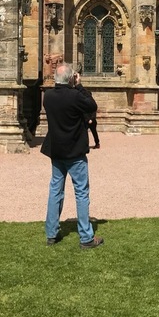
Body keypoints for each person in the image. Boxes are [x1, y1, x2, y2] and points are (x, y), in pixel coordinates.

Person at [40, 62, 104, 249]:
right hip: (75, 152)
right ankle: (86, 237)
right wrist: (79, 85)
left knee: (55, 191)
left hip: (57, 152)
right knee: (81, 193)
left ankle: (51, 233)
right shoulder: (76, 96)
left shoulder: (48, 97)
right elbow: (92, 105)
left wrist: (70, 84)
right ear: (71, 78)